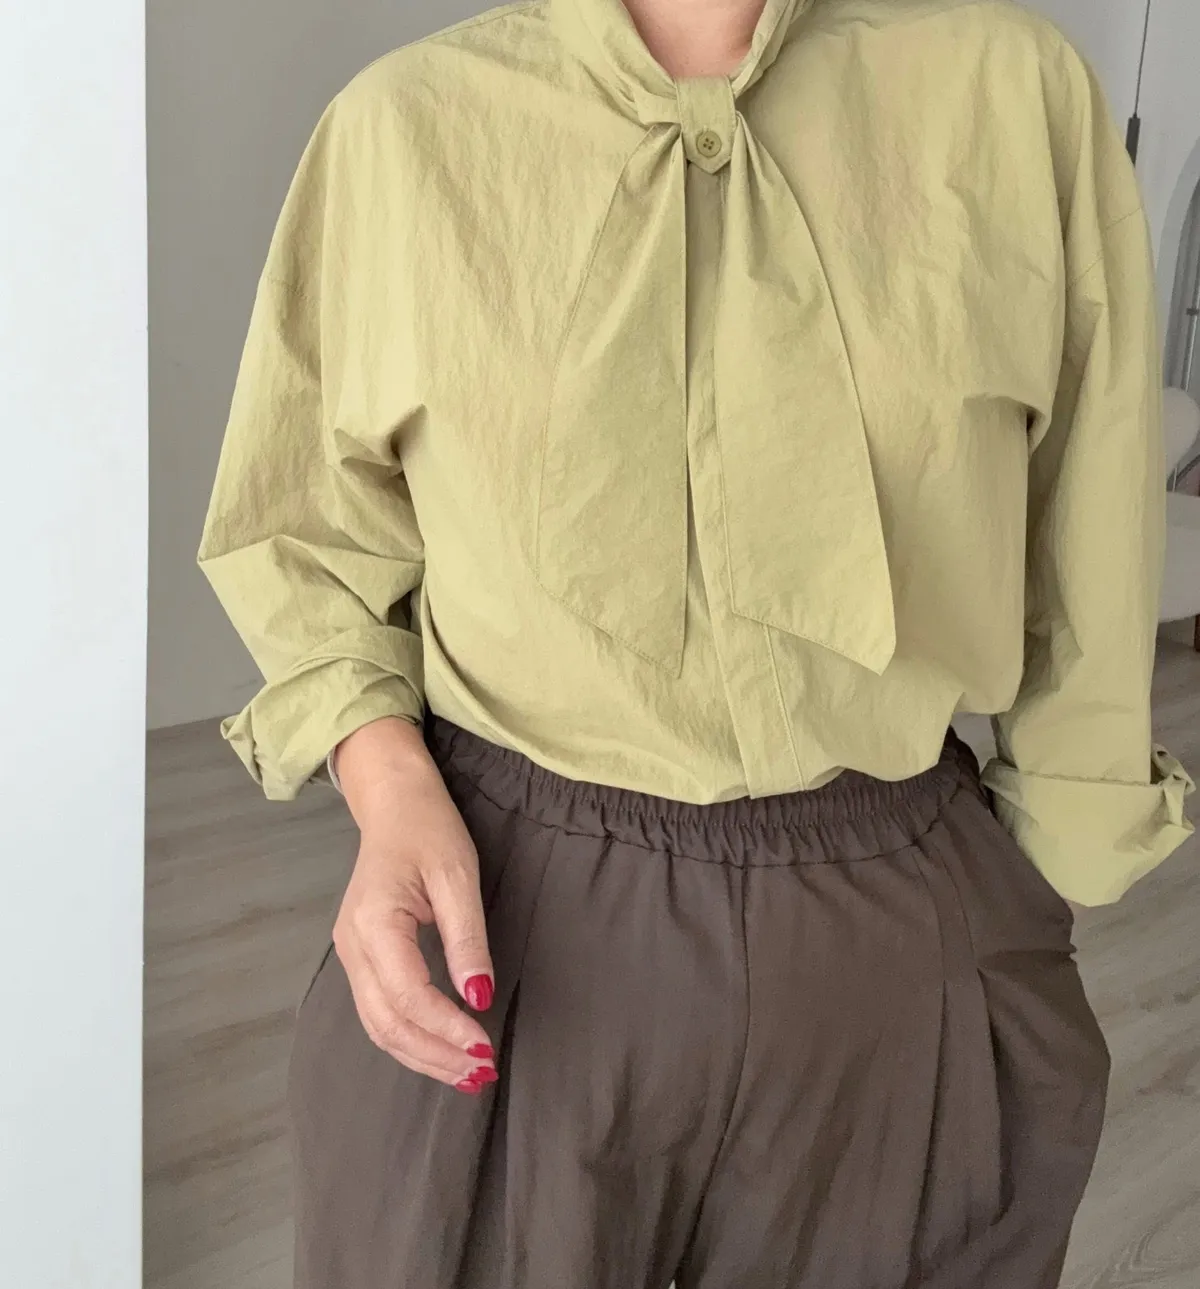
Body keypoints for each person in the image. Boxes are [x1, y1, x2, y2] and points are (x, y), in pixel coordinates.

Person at [197, 0, 1196, 1285]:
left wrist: (1036, 886)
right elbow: (304, 530)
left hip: (900, 912)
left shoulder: (1015, 93)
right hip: (506, 909)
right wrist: (388, 787)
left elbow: (1092, 504)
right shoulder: (399, 128)